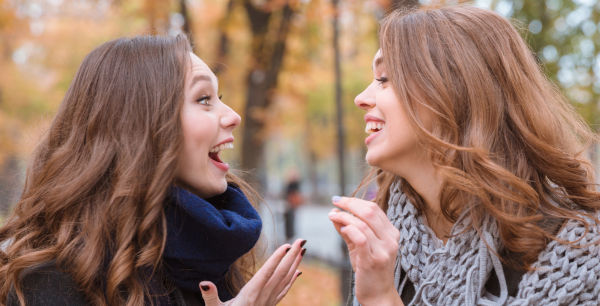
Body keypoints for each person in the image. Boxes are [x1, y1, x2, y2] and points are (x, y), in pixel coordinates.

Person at [0, 35, 306, 306]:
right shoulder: (54, 278)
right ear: (139, 128)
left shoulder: (213, 259)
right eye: (204, 99)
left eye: (220, 99)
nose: (234, 116)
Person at [329, 6, 600, 306]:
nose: (361, 98)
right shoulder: (385, 244)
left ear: (454, 92)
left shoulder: (576, 252)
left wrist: (382, 300)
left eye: (384, 78)